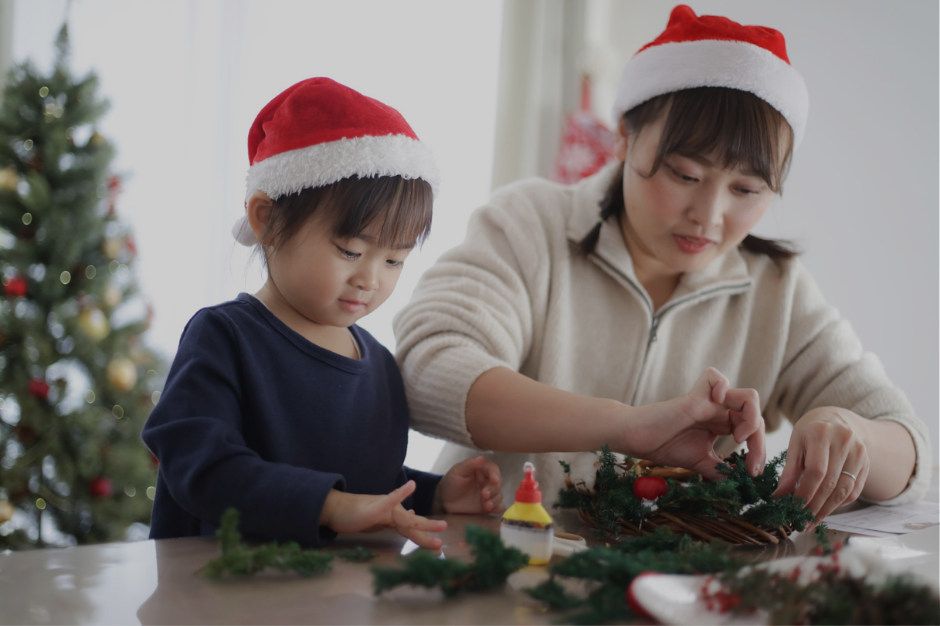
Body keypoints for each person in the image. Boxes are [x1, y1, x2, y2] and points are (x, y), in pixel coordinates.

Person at [393, 5, 930, 522]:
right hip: (491, 574)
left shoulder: (778, 291)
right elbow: (427, 371)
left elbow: (909, 451)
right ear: (624, 135)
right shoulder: (530, 224)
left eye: (747, 188)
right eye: (685, 175)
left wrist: (848, 431)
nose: (709, 216)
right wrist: (624, 427)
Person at [142, 78, 503, 549]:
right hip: (221, 594)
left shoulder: (377, 364)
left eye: (394, 260)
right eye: (350, 251)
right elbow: (203, 469)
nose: (371, 279)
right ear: (266, 219)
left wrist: (434, 495)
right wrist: (328, 507)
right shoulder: (224, 337)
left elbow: (366, 484)